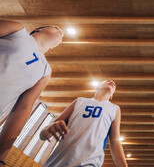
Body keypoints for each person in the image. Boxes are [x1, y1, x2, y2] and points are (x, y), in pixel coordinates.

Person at [0, 20, 63, 165]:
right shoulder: (18, 31)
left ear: (52, 49)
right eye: (56, 27)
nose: (61, 33)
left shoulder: (45, 71)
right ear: (37, 30)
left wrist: (2, 156)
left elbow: (23, 109)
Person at [40, 80, 128, 167]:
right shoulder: (79, 101)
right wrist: (49, 128)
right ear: (96, 87)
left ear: (111, 96)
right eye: (106, 81)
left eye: (114, 85)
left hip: (89, 163)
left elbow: (115, 141)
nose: (111, 82)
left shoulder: (114, 109)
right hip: (58, 161)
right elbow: (43, 135)